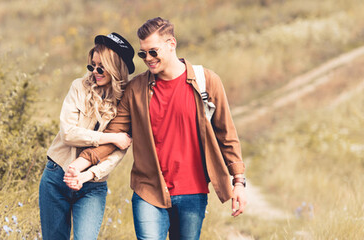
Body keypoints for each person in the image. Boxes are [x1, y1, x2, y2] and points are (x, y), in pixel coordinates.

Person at [68, 17, 248, 240]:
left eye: (153, 52)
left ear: (171, 44)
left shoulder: (207, 82)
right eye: (143, 54)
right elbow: (113, 136)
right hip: (148, 191)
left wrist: (238, 182)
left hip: (193, 192)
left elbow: (226, 135)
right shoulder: (136, 89)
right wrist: (80, 164)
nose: (148, 59)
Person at [38, 32, 136, 240]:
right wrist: (110, 138)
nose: (95, 72)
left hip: (93, 185)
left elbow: (118, 153)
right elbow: (69, 134)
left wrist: (89, 175)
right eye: (92, 66)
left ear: (116, 68)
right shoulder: (78, 87)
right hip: (57, 176)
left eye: (101, 67)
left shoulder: (127, 102)